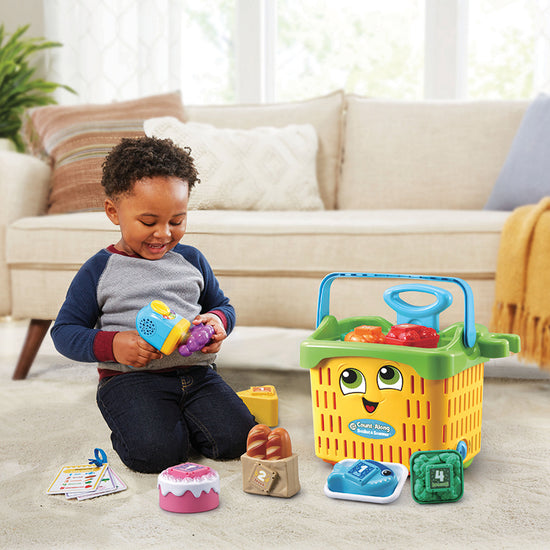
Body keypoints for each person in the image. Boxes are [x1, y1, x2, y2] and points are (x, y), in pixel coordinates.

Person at [51, 136, 256, 473]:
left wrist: (218, 323)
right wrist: (114, 344)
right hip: (130, 380)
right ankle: (148, 423)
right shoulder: (99, 270)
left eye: (177, 221)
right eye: (149, 222)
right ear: (113, 212)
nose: (163, 233)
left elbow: (222, 306)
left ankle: (178, 418)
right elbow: (64, 332)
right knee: (157, 456)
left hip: (197, 373)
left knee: (238, 441)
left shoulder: (191, 260)